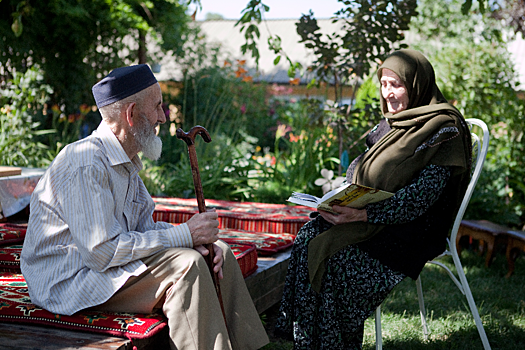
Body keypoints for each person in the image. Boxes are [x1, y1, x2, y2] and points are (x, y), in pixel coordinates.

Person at [21, 64, 269, 350]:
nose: (163, 117)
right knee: (185, 266)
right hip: (70, 281)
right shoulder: (86, 162)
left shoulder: (126, 164)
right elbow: (102, 252)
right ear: (130, 114)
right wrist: (184, 236)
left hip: (101, 269)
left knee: (218, 251)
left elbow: (144, 229)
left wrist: (194, 237)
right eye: (158, 107)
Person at [275, 49, 472, 349]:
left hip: (409, 231)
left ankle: (336, 343)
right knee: (309, 236)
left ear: (418, 84)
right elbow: (359, 166)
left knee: (336, 258)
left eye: (397, 85)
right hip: (372, 218)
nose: (388, 93)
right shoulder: (390, 125)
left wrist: (362, 215)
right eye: (384, 84)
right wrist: (343, 201)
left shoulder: (443, 128)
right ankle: (311, 340)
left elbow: (420, 199)